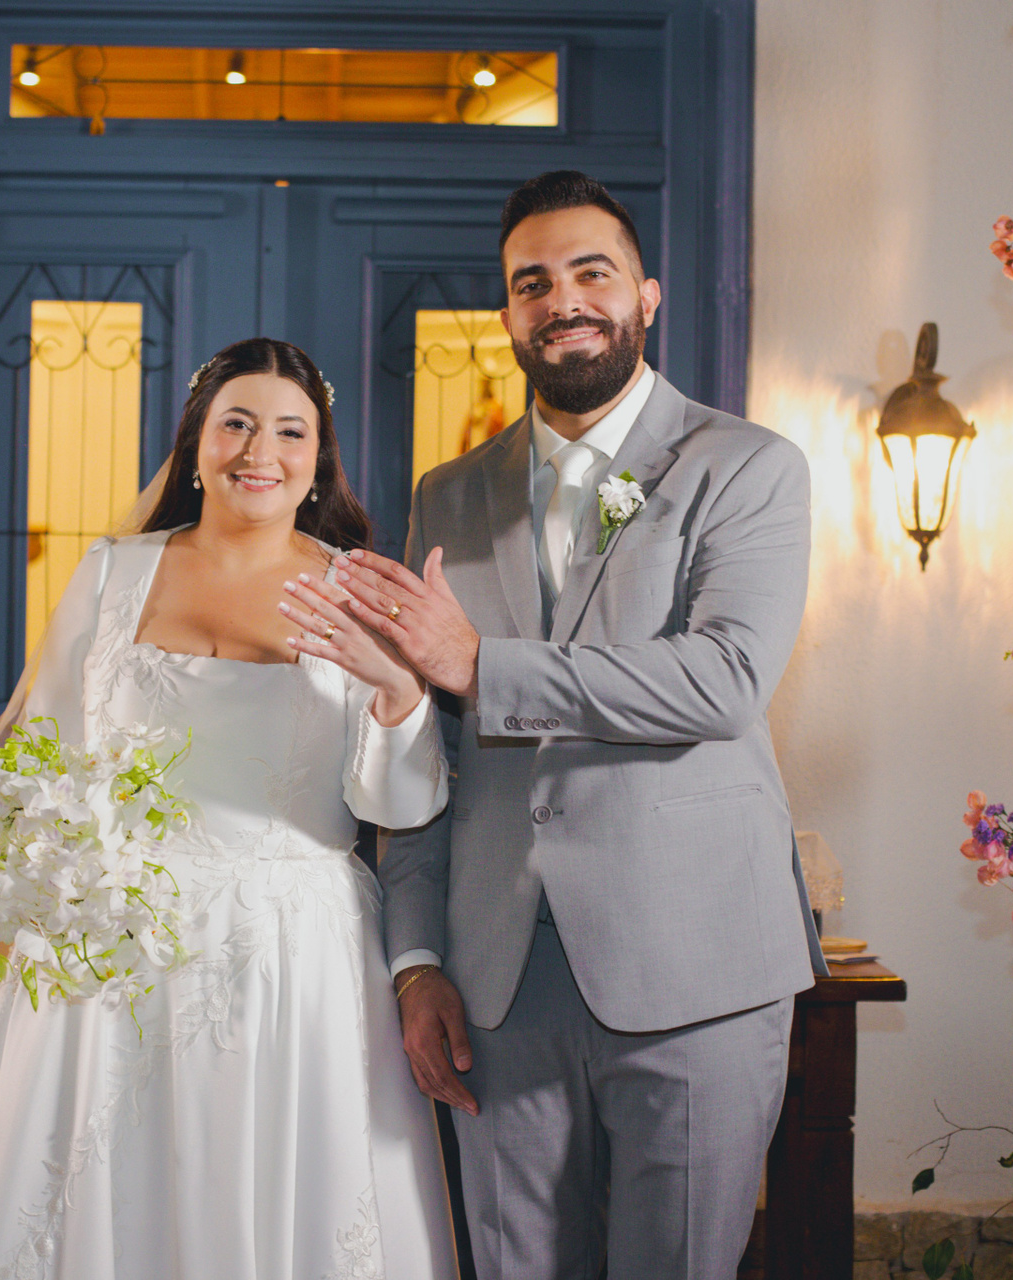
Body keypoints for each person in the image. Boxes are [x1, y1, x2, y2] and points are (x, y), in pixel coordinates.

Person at [330, 170, 829, 1280]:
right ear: (508, 314)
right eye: (532, 282)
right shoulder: (450, 492)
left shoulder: (745, 465)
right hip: (498, 983)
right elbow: (424, 742)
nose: (563, 300)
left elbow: (723, 679)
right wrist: (416, 959)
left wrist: (483, 665)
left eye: (591, 272)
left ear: (646, 296)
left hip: (697, 969)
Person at [0, 337, 458, 1279]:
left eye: (289, 431)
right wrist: (30, 875)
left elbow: (395, 802)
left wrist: (397, 692)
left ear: (319, 459)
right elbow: (46, 751)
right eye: (236, 424)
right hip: (115, 945)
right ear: (196, 445)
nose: (259, 451)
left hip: (292, 953)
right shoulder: (114, 572)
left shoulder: (357, 589)